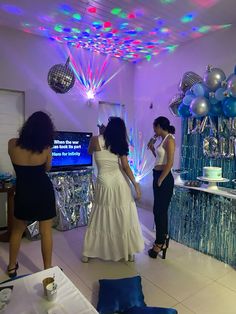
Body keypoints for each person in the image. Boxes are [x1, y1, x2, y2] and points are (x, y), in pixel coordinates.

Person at [82, 117, 144, 262]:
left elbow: (89, 152)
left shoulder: (96, 139)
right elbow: (125, 166)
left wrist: (100, 135)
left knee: (100, 216)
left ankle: (88, 253)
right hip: (120, 183)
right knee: (123, 217)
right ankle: (128, 252)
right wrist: (135, 184)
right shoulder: (120, 143)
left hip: (104, 182)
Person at [7, 111, 56, 277]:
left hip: (23, 191)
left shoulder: (12, 144)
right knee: (46, 231)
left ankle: (11, 267)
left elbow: (16, 166)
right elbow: (47, 168)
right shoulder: (46, 149)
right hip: (42, 191)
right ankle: (47, 269)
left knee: (17, 230)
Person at [147, 116, 175, 259]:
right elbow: (159, 159)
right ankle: (162, 240)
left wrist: (161, 179)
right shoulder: (162, 140)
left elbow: (170, 163)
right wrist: (152, 148)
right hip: (157, 175)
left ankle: (160, 242)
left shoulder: (170, 140)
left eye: (154, 127)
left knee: (160, 211)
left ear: (159, 126)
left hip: (164, 178)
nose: (154, 130)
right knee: (157, 210)